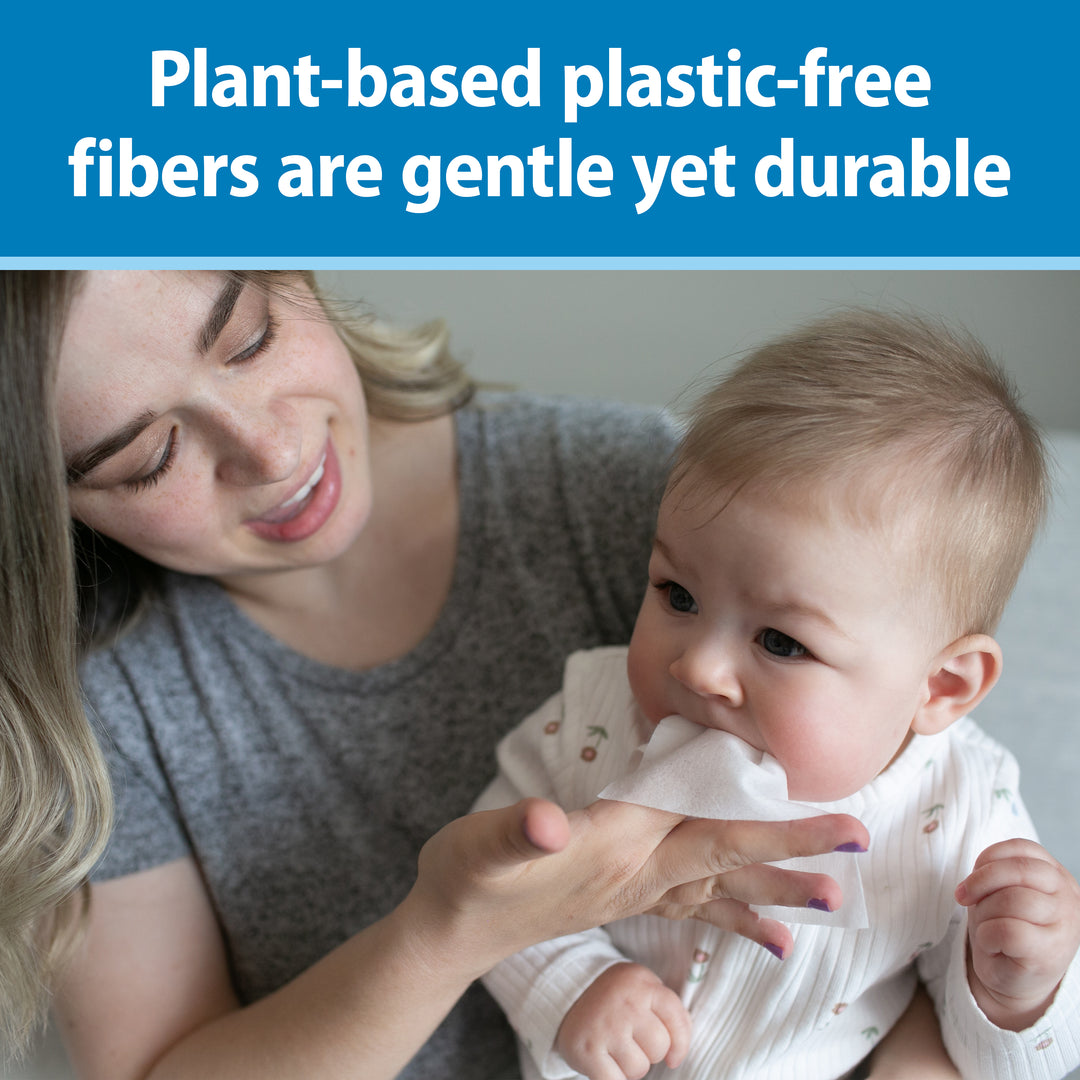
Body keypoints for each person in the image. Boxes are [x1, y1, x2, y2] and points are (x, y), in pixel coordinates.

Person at [0, 270, 895, 1080]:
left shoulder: (623, 499)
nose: (269, 454)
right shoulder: (96, 705)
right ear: (45, 508)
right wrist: (452, 930)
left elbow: (929, 834)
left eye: (250, 338)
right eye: (146, 458)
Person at [475, 310, 1080, 1080]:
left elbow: (991, 1060)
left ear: (940, 686)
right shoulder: (595, 717)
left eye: (782, 643)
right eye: (677, 594)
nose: (697, 669)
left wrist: (1019, 991)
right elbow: (486, 882)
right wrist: (570, 983)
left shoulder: (962, 812)